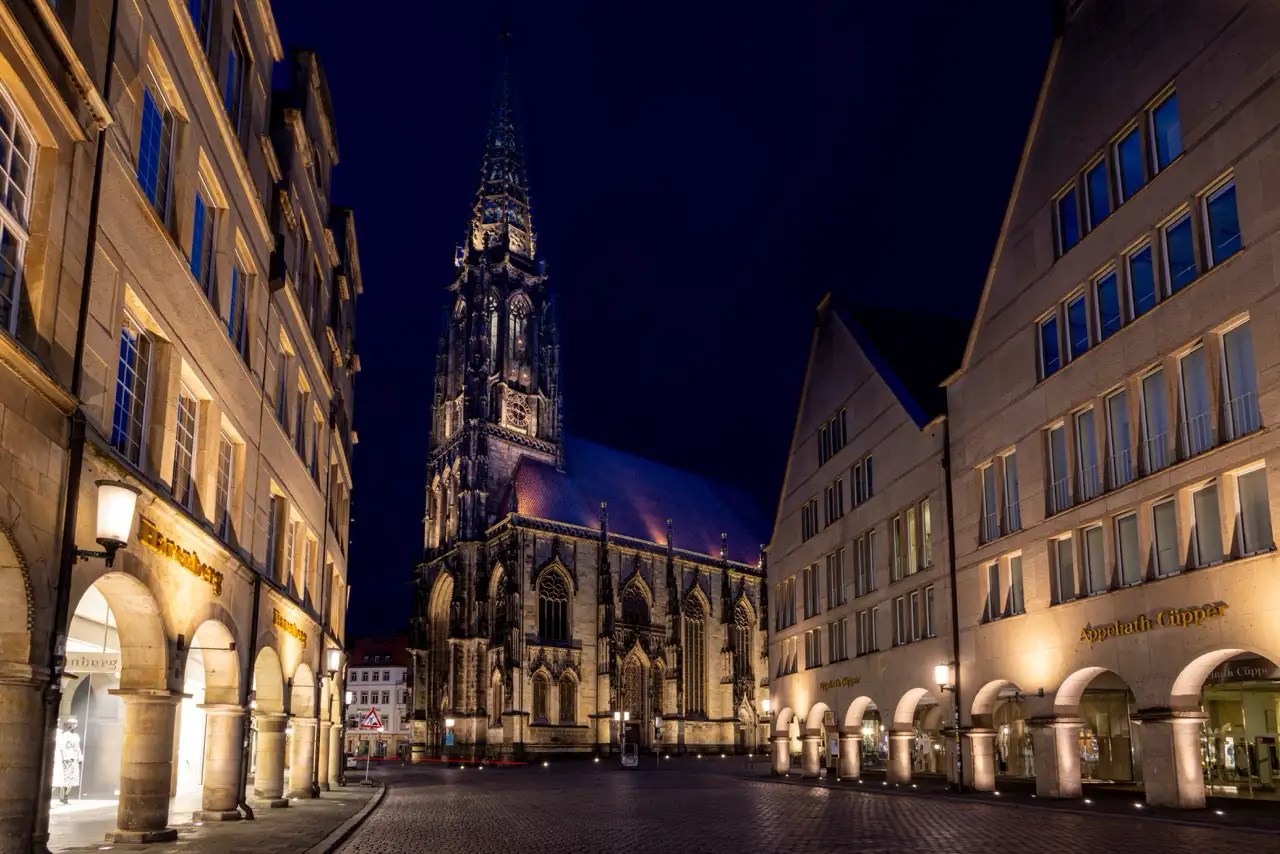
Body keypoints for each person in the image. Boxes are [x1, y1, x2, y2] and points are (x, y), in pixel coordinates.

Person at [52, 718, 83, 805]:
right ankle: (62, 797)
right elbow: (62, 748)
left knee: (72, 780)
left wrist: (79, 757)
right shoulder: (64, 735)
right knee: (65, 779)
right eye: (73, 724)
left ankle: (65, 796)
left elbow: (77, 748)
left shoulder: (76, 736)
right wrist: (65, 758)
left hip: (74, 759)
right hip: (66, 760)